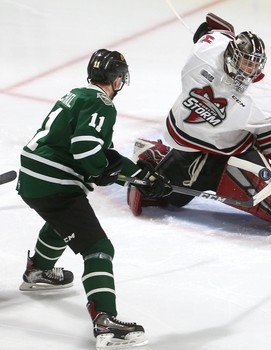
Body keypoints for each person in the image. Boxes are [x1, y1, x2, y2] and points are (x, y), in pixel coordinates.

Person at [128, 13, 271, 241]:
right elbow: (215, 30)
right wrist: (217, 27)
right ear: (231, 55)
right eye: (244, 62)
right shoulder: (205, 53)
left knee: (261, 184)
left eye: (254, 65)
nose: (248, 70)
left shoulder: (262, 95)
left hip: (233, 150)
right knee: (171, 197)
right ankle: (158, 155)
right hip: (187, 143)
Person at [17, 48, 171, 349]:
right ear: (116, 79)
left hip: (33, 178)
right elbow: (87, 150)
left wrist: (143, 176)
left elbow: (104, 156)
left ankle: (38, 269)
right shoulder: (102, 104)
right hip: (56, 183)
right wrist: (100, 172)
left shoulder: (77, 94)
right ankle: (105, 320)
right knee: (98, 248)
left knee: (64, 223)